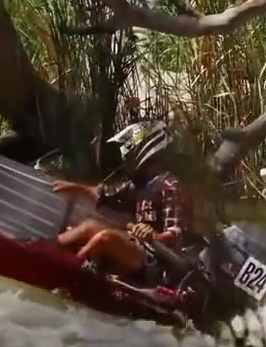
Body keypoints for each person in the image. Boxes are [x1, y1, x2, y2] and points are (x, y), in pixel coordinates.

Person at [52, 120, 195, 282]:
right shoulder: (139, 184)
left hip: (158, 261)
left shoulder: (169, 186)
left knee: (106, 238)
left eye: (129, 148)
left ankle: (68, 271)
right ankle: (48, 249)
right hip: (136, 245)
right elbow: (104, 194)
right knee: (89, 226)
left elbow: (177, 234)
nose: (125, 155)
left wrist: (154, 236)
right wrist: (76, 187)